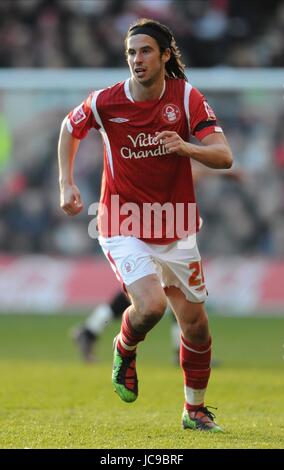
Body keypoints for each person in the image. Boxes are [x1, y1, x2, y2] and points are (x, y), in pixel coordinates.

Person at [58, 18, 233, 432]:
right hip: (123, 221)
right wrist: (66, 183)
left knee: (197, 326)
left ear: (165, 55)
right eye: (131, 53)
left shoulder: (187, 98)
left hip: (175, 225)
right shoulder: (106, 102)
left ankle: (195, 411)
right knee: (152, 306)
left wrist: (186, 146)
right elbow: (69, 127)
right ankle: (124, 345)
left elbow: (224, 156)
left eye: (145, 51)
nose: (137, 59)